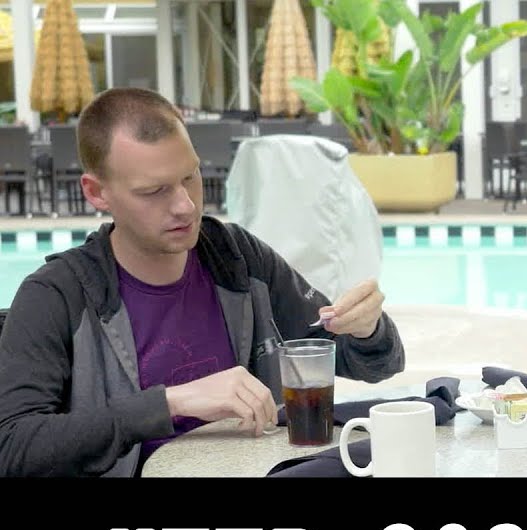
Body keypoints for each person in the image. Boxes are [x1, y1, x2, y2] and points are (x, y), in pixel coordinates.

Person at [0, 88, 405, 477]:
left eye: (190, 176)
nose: (186, 205)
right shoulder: (57, 296)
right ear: (96, 193)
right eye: (154, 190)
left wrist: (367, 329)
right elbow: (12, 446)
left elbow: (370, 363)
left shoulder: (238, 258)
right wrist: (168, 403)